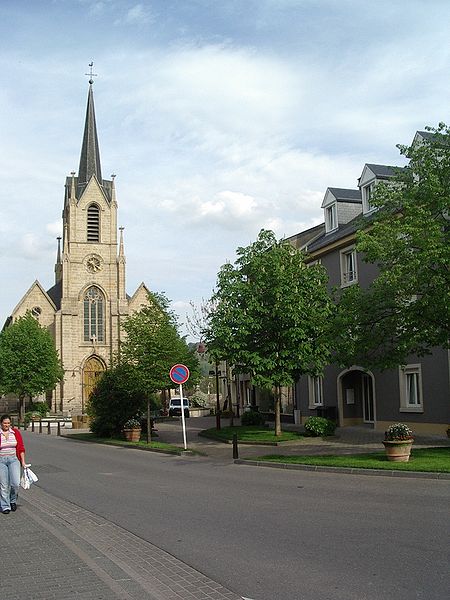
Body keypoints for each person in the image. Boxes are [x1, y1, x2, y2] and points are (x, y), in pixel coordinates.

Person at [0, 414, 26, 514]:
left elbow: (21, 448)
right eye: (5, 423)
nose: (7, 425)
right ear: (1, 423)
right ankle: (5, 506)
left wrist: (23, 462)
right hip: (1, 460)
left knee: (15, 483)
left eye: (8, 423)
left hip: (13, 460)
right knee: (4, 484)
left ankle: (12, 500)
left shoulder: (15, 432)